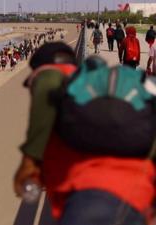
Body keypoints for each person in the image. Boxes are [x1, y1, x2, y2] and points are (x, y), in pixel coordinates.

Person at [15, 42, 155, 225]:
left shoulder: (60, 89)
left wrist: (29, 161)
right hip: (136, 196)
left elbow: (47, 79)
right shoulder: (86, 107)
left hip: (92, 200)